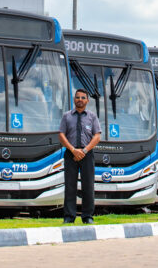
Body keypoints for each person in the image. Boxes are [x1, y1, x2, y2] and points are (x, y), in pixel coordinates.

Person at [58, 88, 102, 224]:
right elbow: (61, 134)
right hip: (70, 154)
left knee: (88, 186)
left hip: (87, 154)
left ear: (87, 101)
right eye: (78, 97)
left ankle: (87, 216)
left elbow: (97, 135)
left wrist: (84, 151)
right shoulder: (66, 116)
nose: (80, 100)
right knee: (70, 186)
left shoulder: (92, 117)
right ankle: (69, 217)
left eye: (83, 98)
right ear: (74, 99)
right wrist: (73, 150)